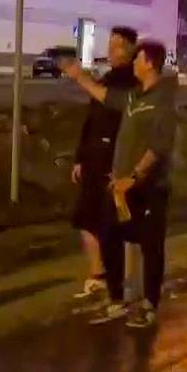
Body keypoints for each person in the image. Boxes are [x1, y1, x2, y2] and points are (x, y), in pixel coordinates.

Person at [63, 40, 177, 330]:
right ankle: (117, 299)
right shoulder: (134, 97)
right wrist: (79, 77)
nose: (133, 63)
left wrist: (134, 177)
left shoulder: (162, 98)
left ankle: (149, 305)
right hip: (121, 189)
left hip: (149, 188)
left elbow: (159, 146)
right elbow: (105, 96)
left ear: (149, 62)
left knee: (151, 246)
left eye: (137, 58)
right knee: (109, 232)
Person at [70, 26, 137, 302]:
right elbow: (91, 121)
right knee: (86, 219)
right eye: (109, 45)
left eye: (118, 45)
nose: (111, 50)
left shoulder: (131, 83)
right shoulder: (107, 78)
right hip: (93, 160)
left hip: (116, 164)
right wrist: (79, 158)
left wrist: (80, 78)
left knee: (118, 225)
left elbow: (113, 105)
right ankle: (97, 276)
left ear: (133, 50)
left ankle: (125, 282)